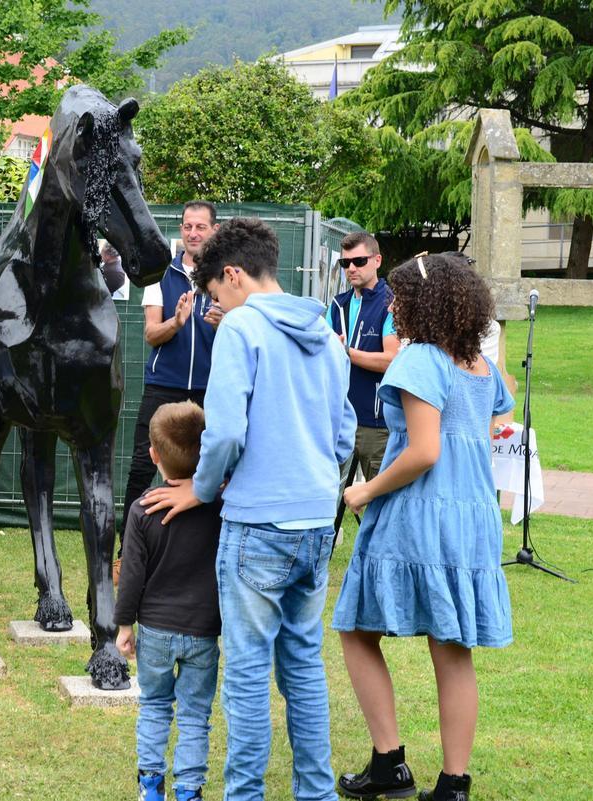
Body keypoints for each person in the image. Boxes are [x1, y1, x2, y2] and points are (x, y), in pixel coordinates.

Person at [142, 217, 355, 801]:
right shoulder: (329, 333)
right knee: (304, 667)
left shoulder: (241, 331)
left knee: (246, 675)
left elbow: (227, 431)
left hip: (258, 525)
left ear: (232, 275)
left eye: (215, 294)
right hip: (316, 523)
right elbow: (342, 436)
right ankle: (317, 792)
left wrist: (201, 488)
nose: (217, 306)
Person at [331, 252, 514, 801]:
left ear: (422, 303)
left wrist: (363, 489)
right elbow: (487, 427)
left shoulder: (417, 361)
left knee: (357, 630)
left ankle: (389, 764)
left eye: (400, 297)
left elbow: (425, 452)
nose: (394, 305)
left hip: (421, 512)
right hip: (473, 515)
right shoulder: (479, 366)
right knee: (452, 648)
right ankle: (454, 785)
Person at [115, 401, 222, 801]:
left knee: (154, 706)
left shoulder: (142, 510)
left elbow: (131, 576)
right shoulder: (220, 506)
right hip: (203, 631)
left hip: (155, 631)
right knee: (196, 716)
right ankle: (190, 791)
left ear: (153, 455)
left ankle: (150, 787)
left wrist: (124, 626)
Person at [119, 201, 222, 576]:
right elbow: (150, 333)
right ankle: (125, 552)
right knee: (142, 466)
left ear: (214, 230)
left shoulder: (226, 276)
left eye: (200, 226)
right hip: (164, 386)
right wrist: (176, 323)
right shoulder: (160, 273)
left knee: (211, 468)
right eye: (187, 226)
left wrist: (224, 322)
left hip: (211, 390)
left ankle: (206, 553)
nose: (193, 233)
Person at [326, 232, 399, 536]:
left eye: (359, 261)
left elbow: (391, 359)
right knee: (329, 498)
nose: (351, 268)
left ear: (377, 260)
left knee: (382, 502)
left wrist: (346, 353)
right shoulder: (338, 304)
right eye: (345, 262)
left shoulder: (391, 303)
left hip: (376, 421)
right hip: (340, 418)